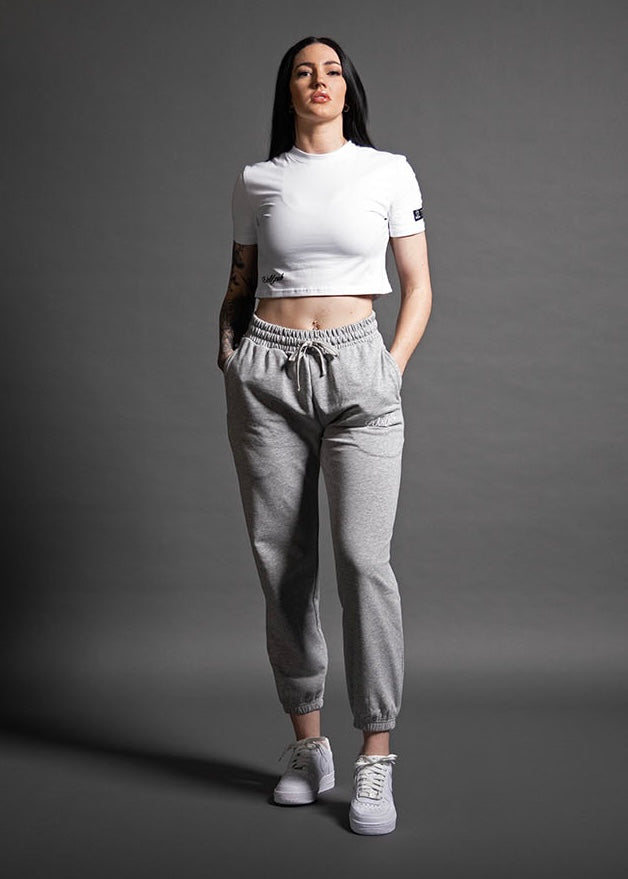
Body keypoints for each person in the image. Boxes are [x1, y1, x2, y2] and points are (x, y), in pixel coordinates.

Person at [218, 36, 433, 835]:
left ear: (348, 88)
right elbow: (240, 281)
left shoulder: (388, 172)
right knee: (283, 562)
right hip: (266, 373)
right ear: (290, 90)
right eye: (304, 71)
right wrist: (231, 353)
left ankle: (376, 752)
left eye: (332, 70)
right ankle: (309, 745)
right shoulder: (257, 179)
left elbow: (418, 285)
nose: (319, 80)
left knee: (362, 561)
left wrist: (391, 367)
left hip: (359, 370)